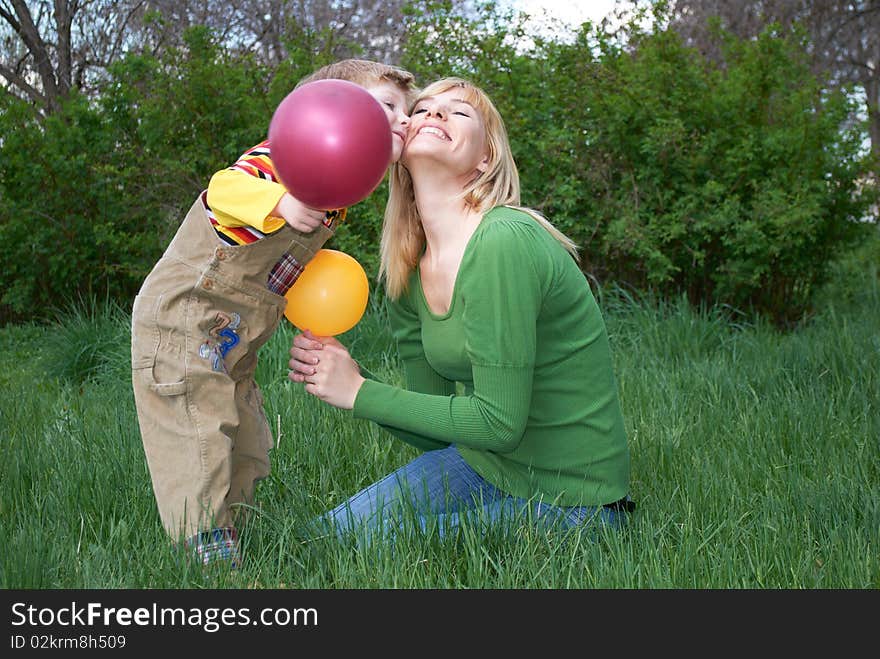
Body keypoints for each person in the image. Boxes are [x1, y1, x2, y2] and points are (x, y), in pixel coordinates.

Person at [288, 77, 633, 544]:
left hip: (571, 499)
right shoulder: (408, 269)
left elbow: (499, 423)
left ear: (485, 158)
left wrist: (360, 392)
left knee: (377, 549)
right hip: (482, 462)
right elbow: (435, 432)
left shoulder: (505, 240)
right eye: (424, 108)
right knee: (322, 542)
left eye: (458, 112)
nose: (433, 114)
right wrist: (346, 377)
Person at [130, 59, 417, 566]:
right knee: (200, 429)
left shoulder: (334, 196)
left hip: (234, 341)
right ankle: (203, 550)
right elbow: (222, 188)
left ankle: (234, 535)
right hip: (184, 322)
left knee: (247, 441)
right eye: (388, 106)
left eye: (408, 111)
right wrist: (281, 201)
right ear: (332, 111)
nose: (403, 119)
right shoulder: (281, 166)